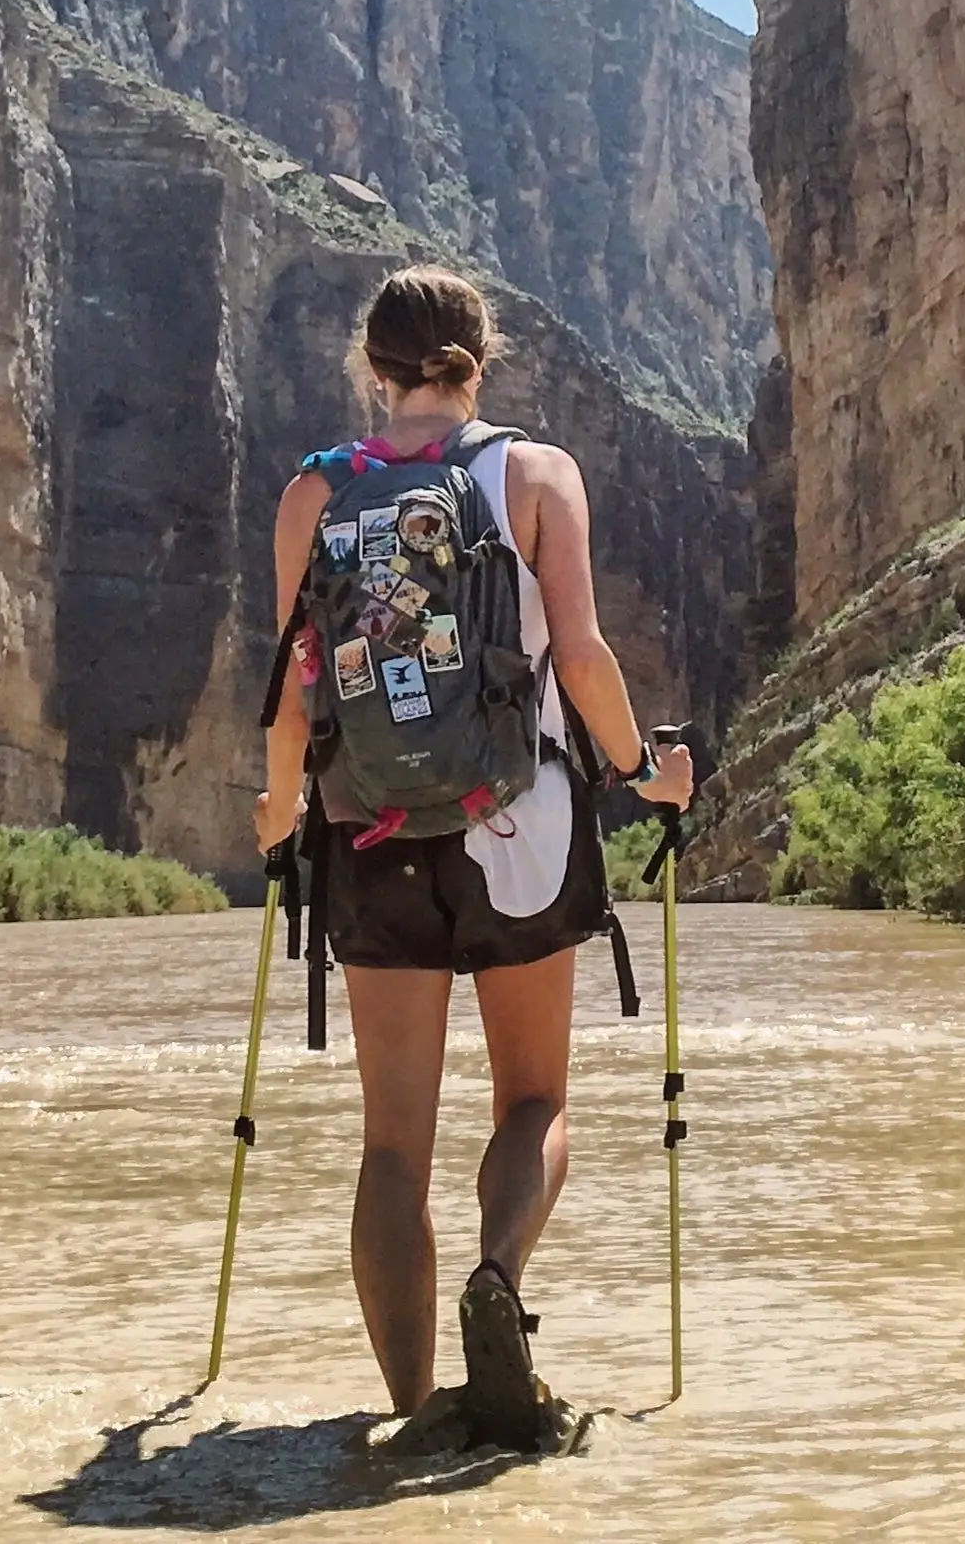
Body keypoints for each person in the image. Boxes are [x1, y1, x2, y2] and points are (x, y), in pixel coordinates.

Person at [254, 265, 694, 1445]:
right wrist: (642, 770)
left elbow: (297, 685)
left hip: (368, 830)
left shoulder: (313, 495)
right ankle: (498, 1274)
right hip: (521, 825)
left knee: (392, 1140)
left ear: (373, 365)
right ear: (477, 358)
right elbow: (586, 657)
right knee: (534, 1095)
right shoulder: (537, 475)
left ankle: (409, 1413)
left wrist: (273, 805)